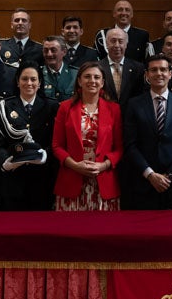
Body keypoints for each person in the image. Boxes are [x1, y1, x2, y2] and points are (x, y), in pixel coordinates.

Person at [120, 54, 172, 209]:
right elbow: (130, 144)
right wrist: (150, 174)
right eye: (153, 70)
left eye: (163, 69)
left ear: (170, 73)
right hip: (143, 183)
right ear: (147, 74)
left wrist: (170, 176)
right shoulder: (134, 104)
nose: (159, 73)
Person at [52, 62, 123, 211]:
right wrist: (75, 166)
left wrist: (103, 165)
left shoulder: (114, 109)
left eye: (97, 77)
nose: (92, 81)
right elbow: (57, 146)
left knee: (104, 231)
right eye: (87, 77)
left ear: (102, 82)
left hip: (103, 183)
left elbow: (119, 148)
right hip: (71, 180)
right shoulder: (65, 108)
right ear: (79, 81)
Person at [0, 62, 60, 211]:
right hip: (13, 179)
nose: (29, 83)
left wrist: (45, 155)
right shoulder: (5, 106)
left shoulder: (52, 106)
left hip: (42, 179)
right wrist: (5, 162)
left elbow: (57, 141)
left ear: (39, 82)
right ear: (17, 81)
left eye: (33, 79)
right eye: (24, 79)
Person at [99, 27, 145, 104]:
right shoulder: (97, 67)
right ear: (107, 43)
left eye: (120, 41)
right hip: (106, 112)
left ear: (126, 44)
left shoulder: (138, 68)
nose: (117, 45)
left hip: (130, 114)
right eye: (113, 41)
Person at [39, 35, 77, 101]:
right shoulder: (38, 73)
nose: (49, 54)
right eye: (46, 50)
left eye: (53, 50)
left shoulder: (75, 74)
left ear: (64, 52)